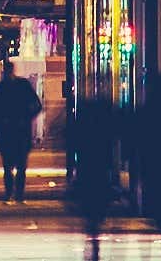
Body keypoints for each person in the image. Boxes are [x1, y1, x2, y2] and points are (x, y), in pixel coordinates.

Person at [61, 87, 123, 232]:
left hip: (87, 163)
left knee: (88, 185)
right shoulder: (106, 119)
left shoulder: (84, 118)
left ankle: (91, 218)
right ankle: (97, 215)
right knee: (101, 184)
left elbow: (70, 137)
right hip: (102, 163)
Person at [0, 68, 45, 203]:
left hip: (9, 131)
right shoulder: (21, 85)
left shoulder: (2, 87)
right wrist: (27, 117)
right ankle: (17, 194)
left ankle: (11, 194)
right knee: (18, 165)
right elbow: (36, 105)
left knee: (10, 166)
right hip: (19, 130)